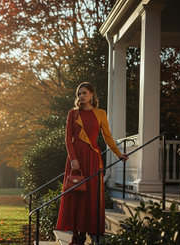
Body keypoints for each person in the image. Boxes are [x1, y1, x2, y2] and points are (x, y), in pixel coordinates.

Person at [55, 82, 128, 245]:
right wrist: (73, 158)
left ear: (92, 95)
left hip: (93, 159)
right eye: (79, 93)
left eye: (84, 93)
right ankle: (76, 235)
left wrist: (118, 153)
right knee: (75, 194)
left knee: (90, 195)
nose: (81, 96)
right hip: (76, 159)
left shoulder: (101, 113)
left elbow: (107, 137)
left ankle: (88, 231)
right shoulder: (73, 113)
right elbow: (68, 138)